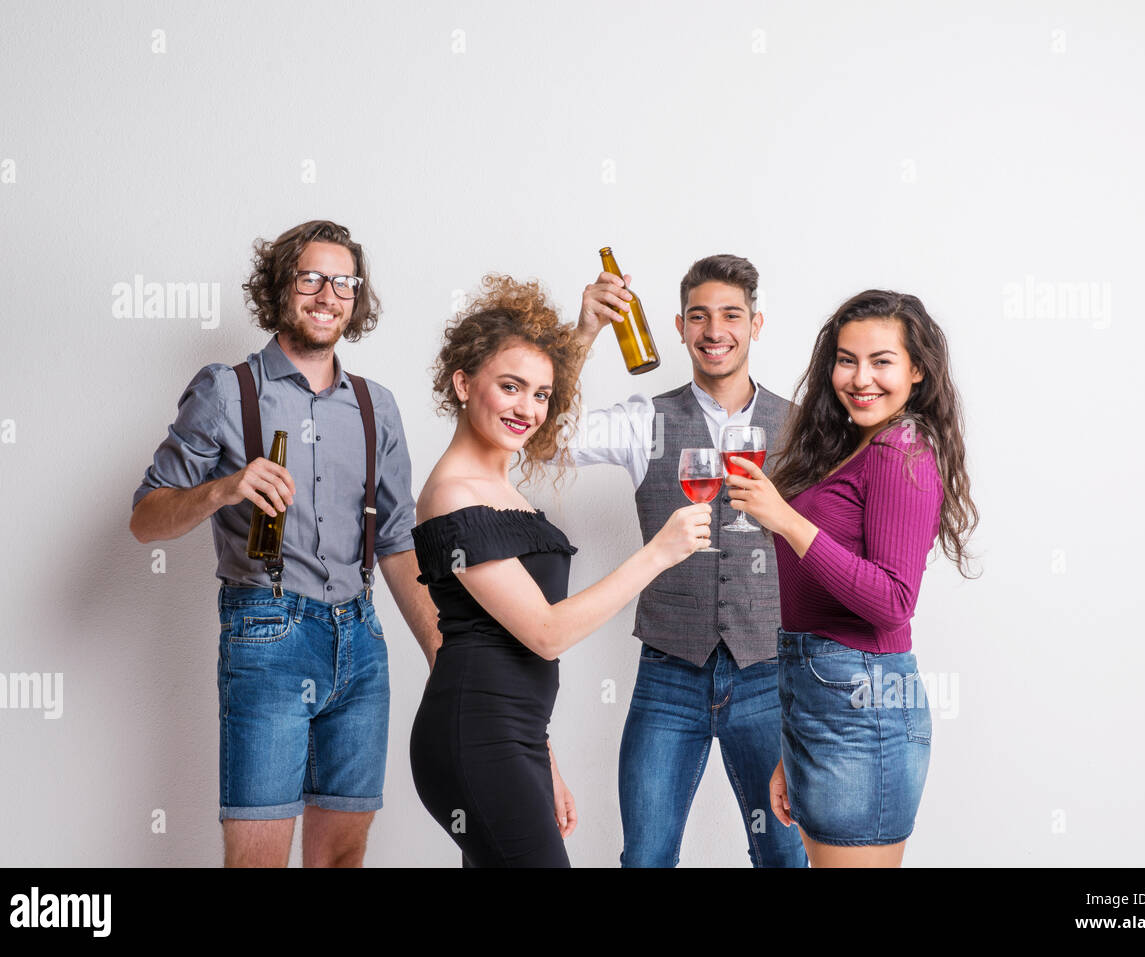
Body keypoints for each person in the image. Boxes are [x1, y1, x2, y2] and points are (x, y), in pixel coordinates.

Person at [129, 220, 441, 867]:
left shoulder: (374, 405)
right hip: (266, 632)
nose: (329, 293)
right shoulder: (226, 390)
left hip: (361, 641)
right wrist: (223, 488)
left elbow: (396, 542)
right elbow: (146, 518)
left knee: (340, 858)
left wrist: (445, 652)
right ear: (281, 287)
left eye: (344, 281)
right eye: (312, 277)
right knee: (258, 861)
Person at [409, 274, 711, 868]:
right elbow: (544, 633)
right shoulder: (453, 495)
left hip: (513, 736)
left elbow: (505, 644)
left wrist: (542, 759)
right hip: (473, 737)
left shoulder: (499, 485)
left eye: (541, 395)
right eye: (511, 387)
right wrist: (657, 553)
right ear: (464, 383)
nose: (527, 408)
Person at [560, 254, 808, 867]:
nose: (714, 330)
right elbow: (544, 434)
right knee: (645, 858)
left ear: (756, 324)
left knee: (784, 856)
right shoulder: (645, 419)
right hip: (670, 672)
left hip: (769, 677)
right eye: (699, 316)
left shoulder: (804, 429)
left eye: (730, 315)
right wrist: (584, 333)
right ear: (676, 326)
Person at [723, 289, 979, 867]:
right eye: (846, 359)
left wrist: (785, 520)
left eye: (882, 360)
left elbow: (892, 602)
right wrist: (793, 743)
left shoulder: (900, 449)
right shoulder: (851, 448)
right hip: (823, 702)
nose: (861, 378)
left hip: (865, 708)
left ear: (917, 370)